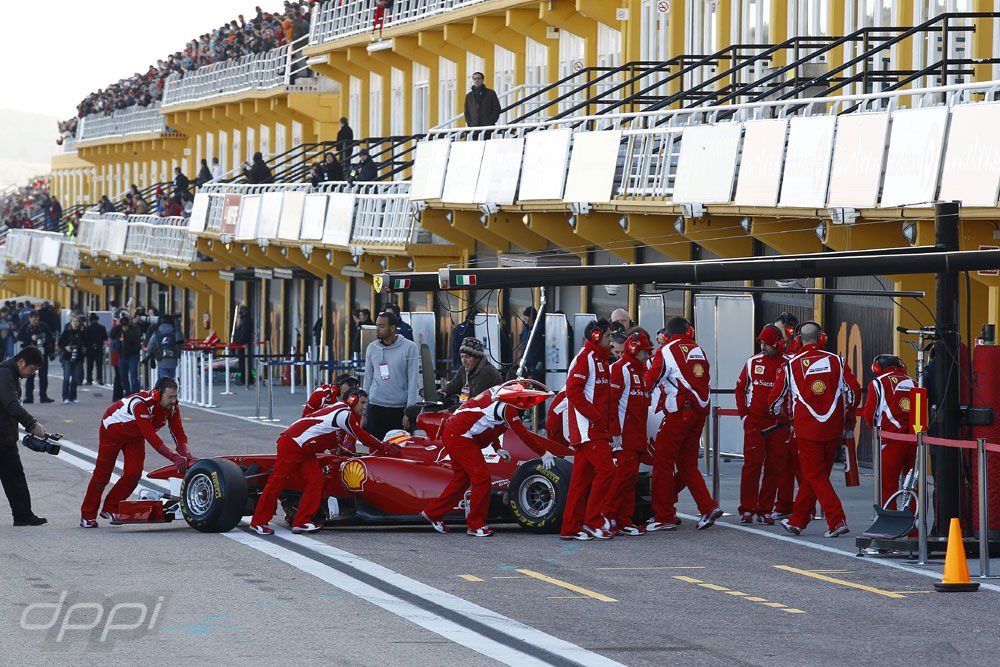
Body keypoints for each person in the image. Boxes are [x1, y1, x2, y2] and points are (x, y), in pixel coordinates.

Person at [250, 388, 395, 535]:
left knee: (316, 480)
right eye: (362, 402)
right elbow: (362, 437)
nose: (364, 407)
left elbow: (325, 432)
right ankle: (258, 522)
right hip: (293, 444)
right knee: (277, 483)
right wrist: (385, 446)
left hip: (304, 448)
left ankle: (301, 522)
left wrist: (341, 449)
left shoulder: (340, 410)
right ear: (352, 400)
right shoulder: (344, 414)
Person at [421, 381, 554, 537]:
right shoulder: (509, 407)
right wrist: (543, 453)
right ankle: (475, 525)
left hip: (455, 432)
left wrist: (497, 448)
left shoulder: (501, 393)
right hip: (460, 436)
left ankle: (433, 512)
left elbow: (488, 423)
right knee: (482, 478)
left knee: (461, 480)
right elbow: (522, 434)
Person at [768, 321, 861, 538]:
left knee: (815, 475)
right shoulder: (837, 361)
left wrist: (782, 416)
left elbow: (774, 402)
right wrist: (847, 416)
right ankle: (798, 520)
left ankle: (836, 520)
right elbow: (854, 392)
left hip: (807, 429)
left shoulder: (791, 365)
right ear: (822, 338)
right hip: (833, 426)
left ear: (799, 340)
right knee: (817, 476)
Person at [80, 377, 195, 527]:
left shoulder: (172, 407)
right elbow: (152, 437)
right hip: (113, 431)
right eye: (170, 397)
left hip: (135, 435)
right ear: (158, 394)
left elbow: (178, 431)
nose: (174, 400)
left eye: (175, 396)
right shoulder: (141, 404)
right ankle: (87, 516)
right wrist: (174, 457)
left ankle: (110, 508)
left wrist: (186, 454)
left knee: (134, 474)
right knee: (102, 475)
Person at [646, 316, 722, 531]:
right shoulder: (698, 350)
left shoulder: (666, 351)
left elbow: (650, 381)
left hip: (679, 412)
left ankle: (664, 516)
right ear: (688, 331)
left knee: (662, 462)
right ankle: (707, 507)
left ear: (668, 334)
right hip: (699, 413)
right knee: (688, 464)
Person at [560, 319, 616, 541]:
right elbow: (573, 393)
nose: (610, 339)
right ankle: (593, 521)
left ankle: (570, 528)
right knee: (607, 471)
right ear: (595, 336)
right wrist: (595, 417)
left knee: (580, 481)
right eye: (608, 335)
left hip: (594, 428)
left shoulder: (599, 359)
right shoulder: (586, 358)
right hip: (588, 430)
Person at [735, 324, 789, 524]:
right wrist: (744, 415)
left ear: (778, 344)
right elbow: (740, 388)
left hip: (780, 424)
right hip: (755, 423)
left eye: (767, 343)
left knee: (775, 467)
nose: (763, 346)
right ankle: (747, 509)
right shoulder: (753, 362)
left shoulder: (789, 364)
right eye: (762, 343)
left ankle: (765, 509)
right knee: (752, 464)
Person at [607, 331, 654, 536]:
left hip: (636, 434)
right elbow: (611, 403)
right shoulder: (620, 369)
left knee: (631, 477)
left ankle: (624, 519)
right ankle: (608, 516)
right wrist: (615, 432)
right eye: (645, 352)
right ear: (634, 350)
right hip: (623, 435)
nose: (648, 355)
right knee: (623, 476)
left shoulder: (641, 372)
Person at [0, 346, 49, 526]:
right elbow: (11, 405)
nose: (32, 373)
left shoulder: (11, 374)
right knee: (15, 478)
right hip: (2, 438)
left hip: (5, 438)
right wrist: (32, 424)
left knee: (15, 478)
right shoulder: (5, 375)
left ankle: (23, 515)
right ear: (21, 362)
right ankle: (23, 515)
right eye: (32, 369)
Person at [862, 354, 915, 506]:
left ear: (877, 368)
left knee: (887, 485)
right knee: (912, 485)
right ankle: (913, 525)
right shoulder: (915, 383)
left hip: (889, 440)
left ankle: (888, 520)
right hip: (914, 441)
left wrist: (876, 430)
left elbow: (869, 415)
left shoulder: (878, 383)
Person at [363, 311, 420, 439]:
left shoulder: (410, 347)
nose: (377, 329)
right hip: (375, 408)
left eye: (381, 326)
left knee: (399, 452)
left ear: (392, 328)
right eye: (377, 325)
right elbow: (367, 380)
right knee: (375, 453)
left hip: (399, 410)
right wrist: (364, 412)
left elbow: (413, 381)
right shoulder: (372, 348)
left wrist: (409, 412)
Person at [439, 338, 502, 405]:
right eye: (462, 356)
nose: (464, 361)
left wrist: (451, 410)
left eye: (467, 357)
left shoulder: (488, 373)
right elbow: (453, 385)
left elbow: (475, 401)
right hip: (468, 408)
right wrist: (442, 392)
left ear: (477, 358)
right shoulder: (464, 369)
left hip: (485, 411)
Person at [17, 311, 53, 404]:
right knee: (29, 376)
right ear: (29, 318)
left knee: (43, 376)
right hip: (30, 355)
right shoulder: (26, 326)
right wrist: (30, 337)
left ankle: (43, 396)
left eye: (37, 319)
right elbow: (19, 337)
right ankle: (29, 397)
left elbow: (50, 336)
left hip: (42, 354)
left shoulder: (43, 326)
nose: (35, 321)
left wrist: (43, 338)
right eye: (33, 320)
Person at [58, 312, 86, 403]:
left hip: (78, 357)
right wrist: (66, 347)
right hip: (67, 357)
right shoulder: (66, 332)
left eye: (77, 321)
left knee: (75, 378)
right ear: (70, 322)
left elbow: (85, 343)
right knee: (66, 377)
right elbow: (60, 343)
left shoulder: (82, 333)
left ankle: (73, 396)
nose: (75, 323)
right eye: (73, 321)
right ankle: (65, 397)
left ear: (79, 323)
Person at [110, 315, 142, 396]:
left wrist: (127, 332)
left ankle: (135, 394)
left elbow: (136, 340)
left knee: (133, 376)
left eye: (126, 324)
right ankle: (127, 394)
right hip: (122, 356)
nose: (124, 326)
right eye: (123, 324)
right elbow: (111, 335)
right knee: (123, 376)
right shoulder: (119, 330)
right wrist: (117, 326)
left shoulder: (134, 330)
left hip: (132, 356)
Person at [84, 313, 109, 385]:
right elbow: (105, 337)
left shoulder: (87, 328)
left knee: (90, 365)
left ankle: (89, 380)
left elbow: (85, 339)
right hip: (99, 348)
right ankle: (99, 379)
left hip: (90, 349)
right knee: (99, 365)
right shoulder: (102, 328)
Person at [232, 304, 254, 385]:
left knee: (244, 362)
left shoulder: (246, 320)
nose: (239, 312)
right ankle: (247, 378)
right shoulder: (244, 319)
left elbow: (244, 333)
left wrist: (238, 342)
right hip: (243, 344)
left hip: (244, 345)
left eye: (240, 310)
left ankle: (246, 379)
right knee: (243, 362)